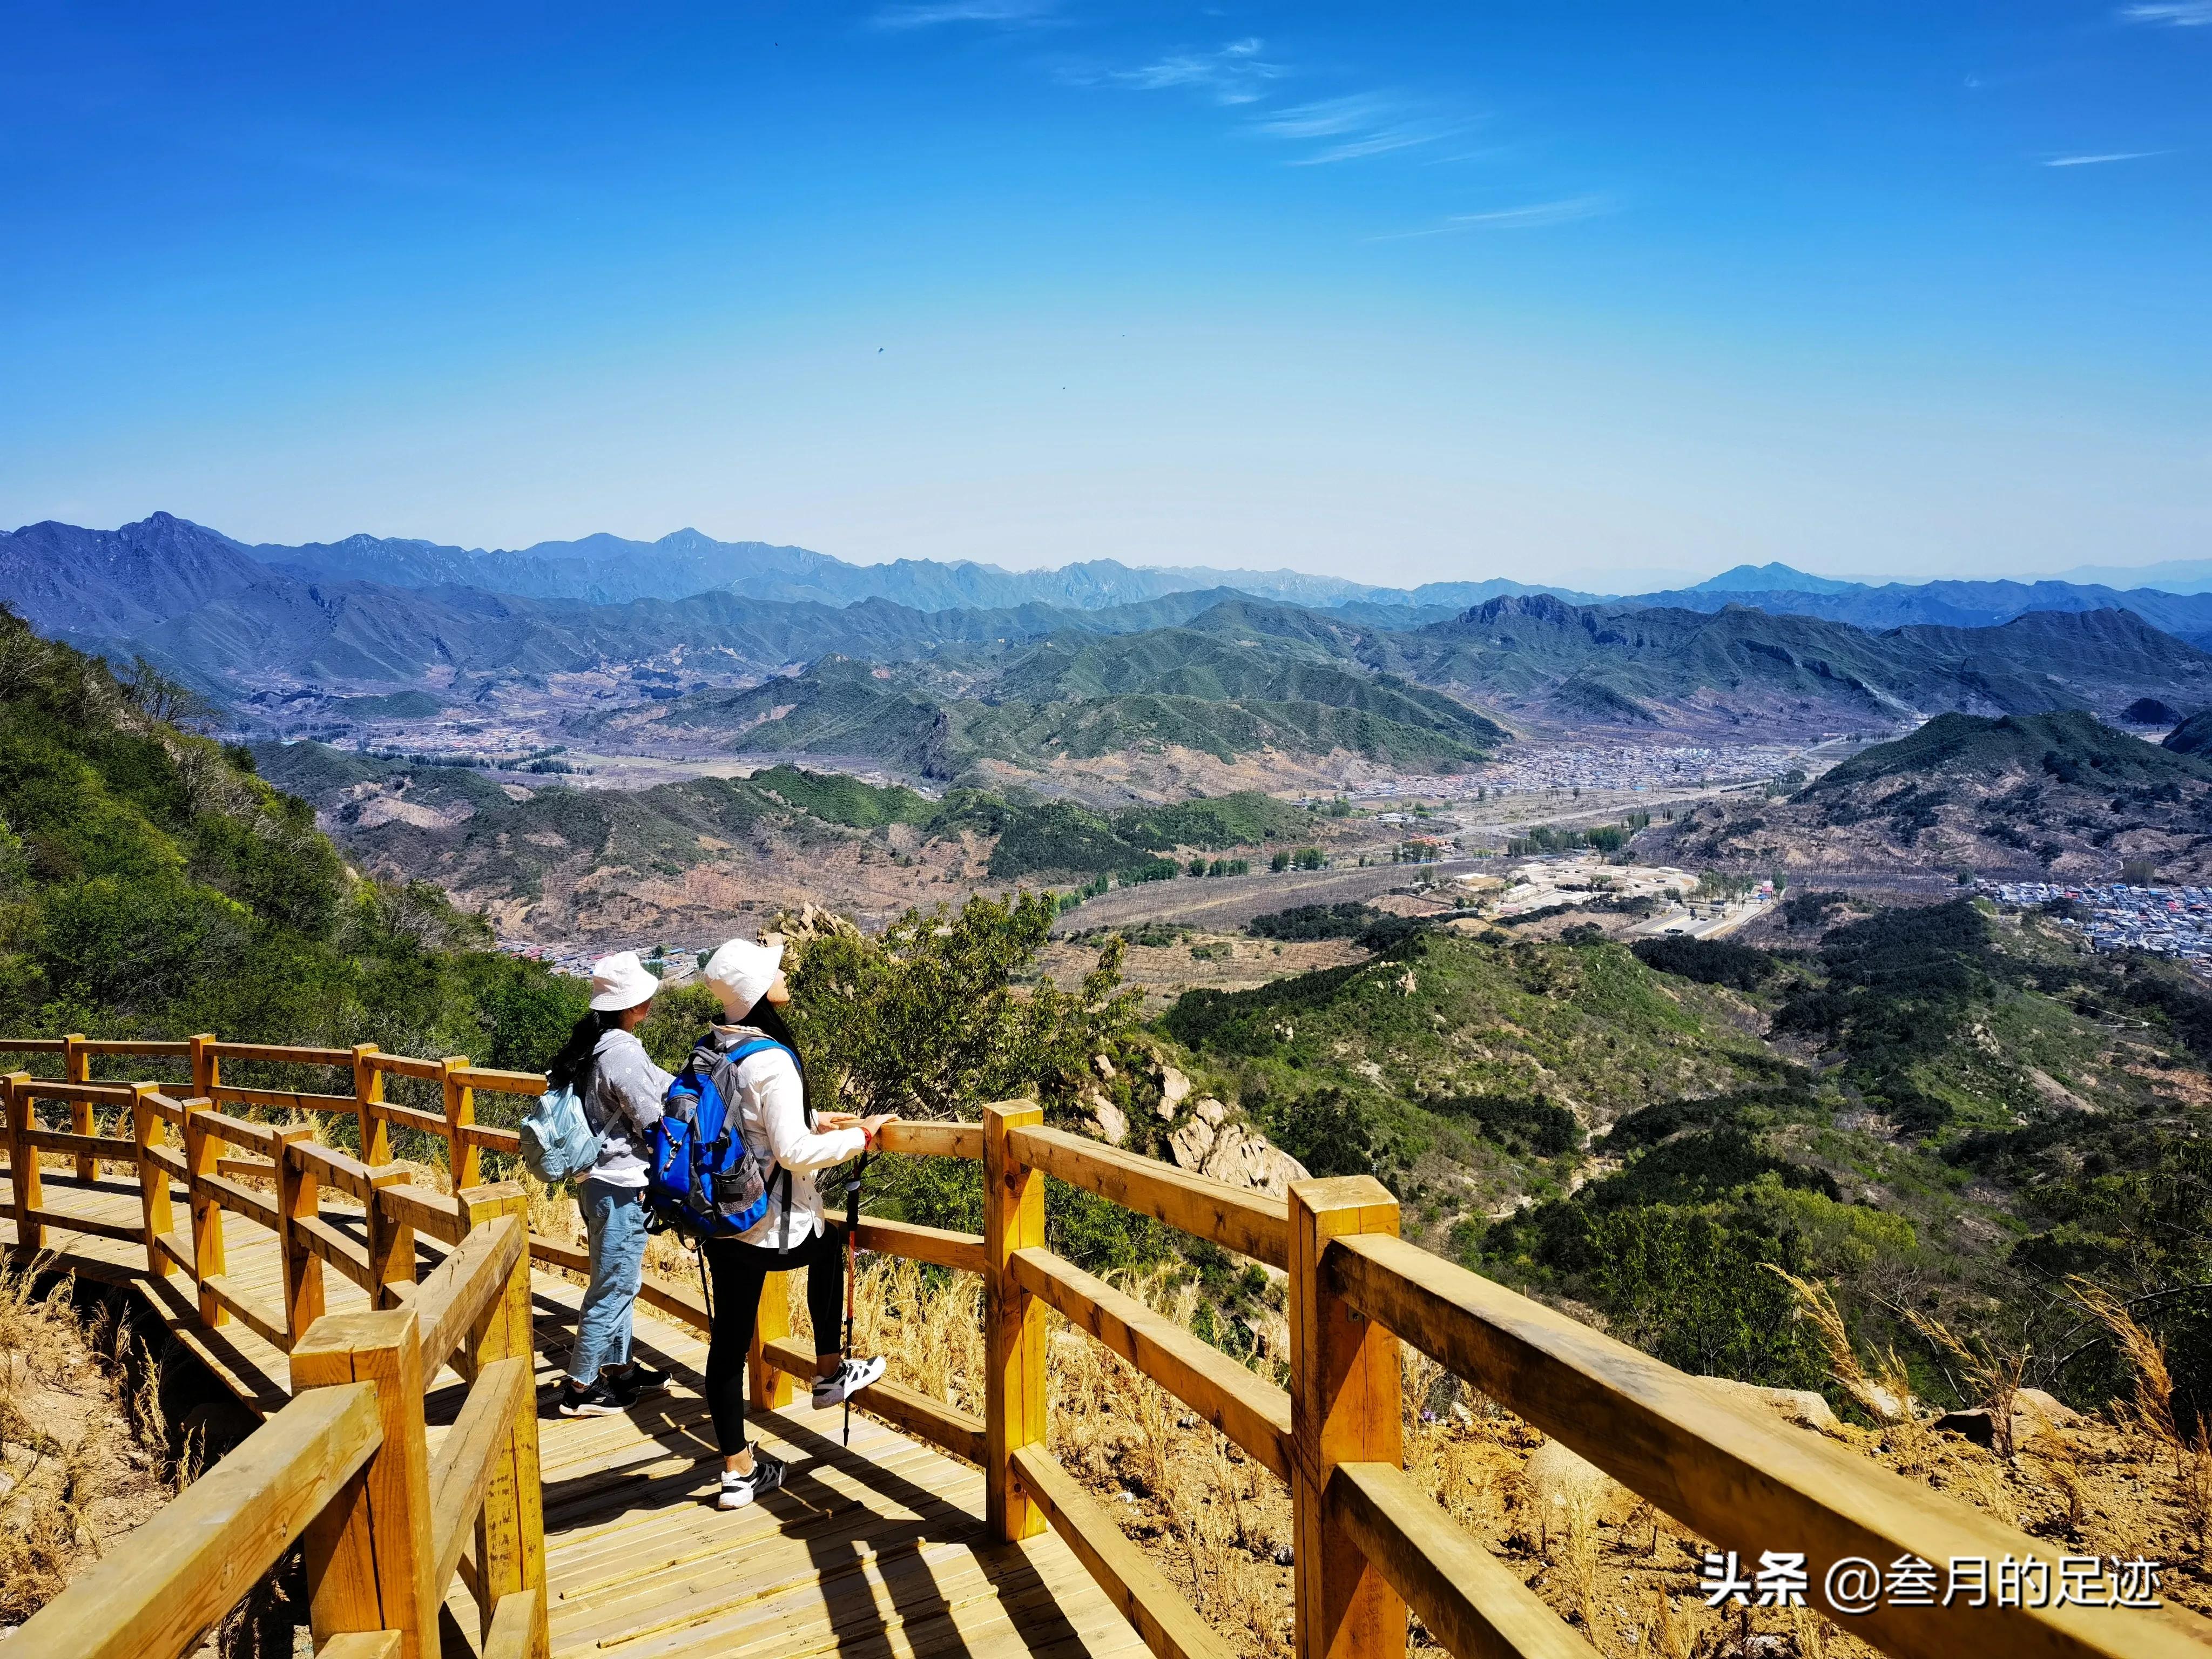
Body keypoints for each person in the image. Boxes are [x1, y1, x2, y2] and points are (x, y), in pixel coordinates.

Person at [694, 935, 896, 1510]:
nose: (785, 977)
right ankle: (830, 1372)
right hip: (765, 1221)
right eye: (775, 973)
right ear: (759, 991)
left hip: (721, 1217)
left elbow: (747, 1119)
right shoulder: (773, 1059)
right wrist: (860, 1135)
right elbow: (791, 1153)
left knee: (728, 1344)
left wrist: (810, 1115)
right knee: (827, 1247)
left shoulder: (718, 1046)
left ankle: (738, 1469)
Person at [550, 950, 676, 1418]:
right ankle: (580, 1388)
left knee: (621, 1277)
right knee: (614, 1285)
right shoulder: (621, 1050)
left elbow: (658, 1082)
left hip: (598, 1180)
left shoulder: (602, 1044)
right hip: (619, 1181)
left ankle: (620, 1371)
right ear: (634, 1003)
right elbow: (651, 1116)